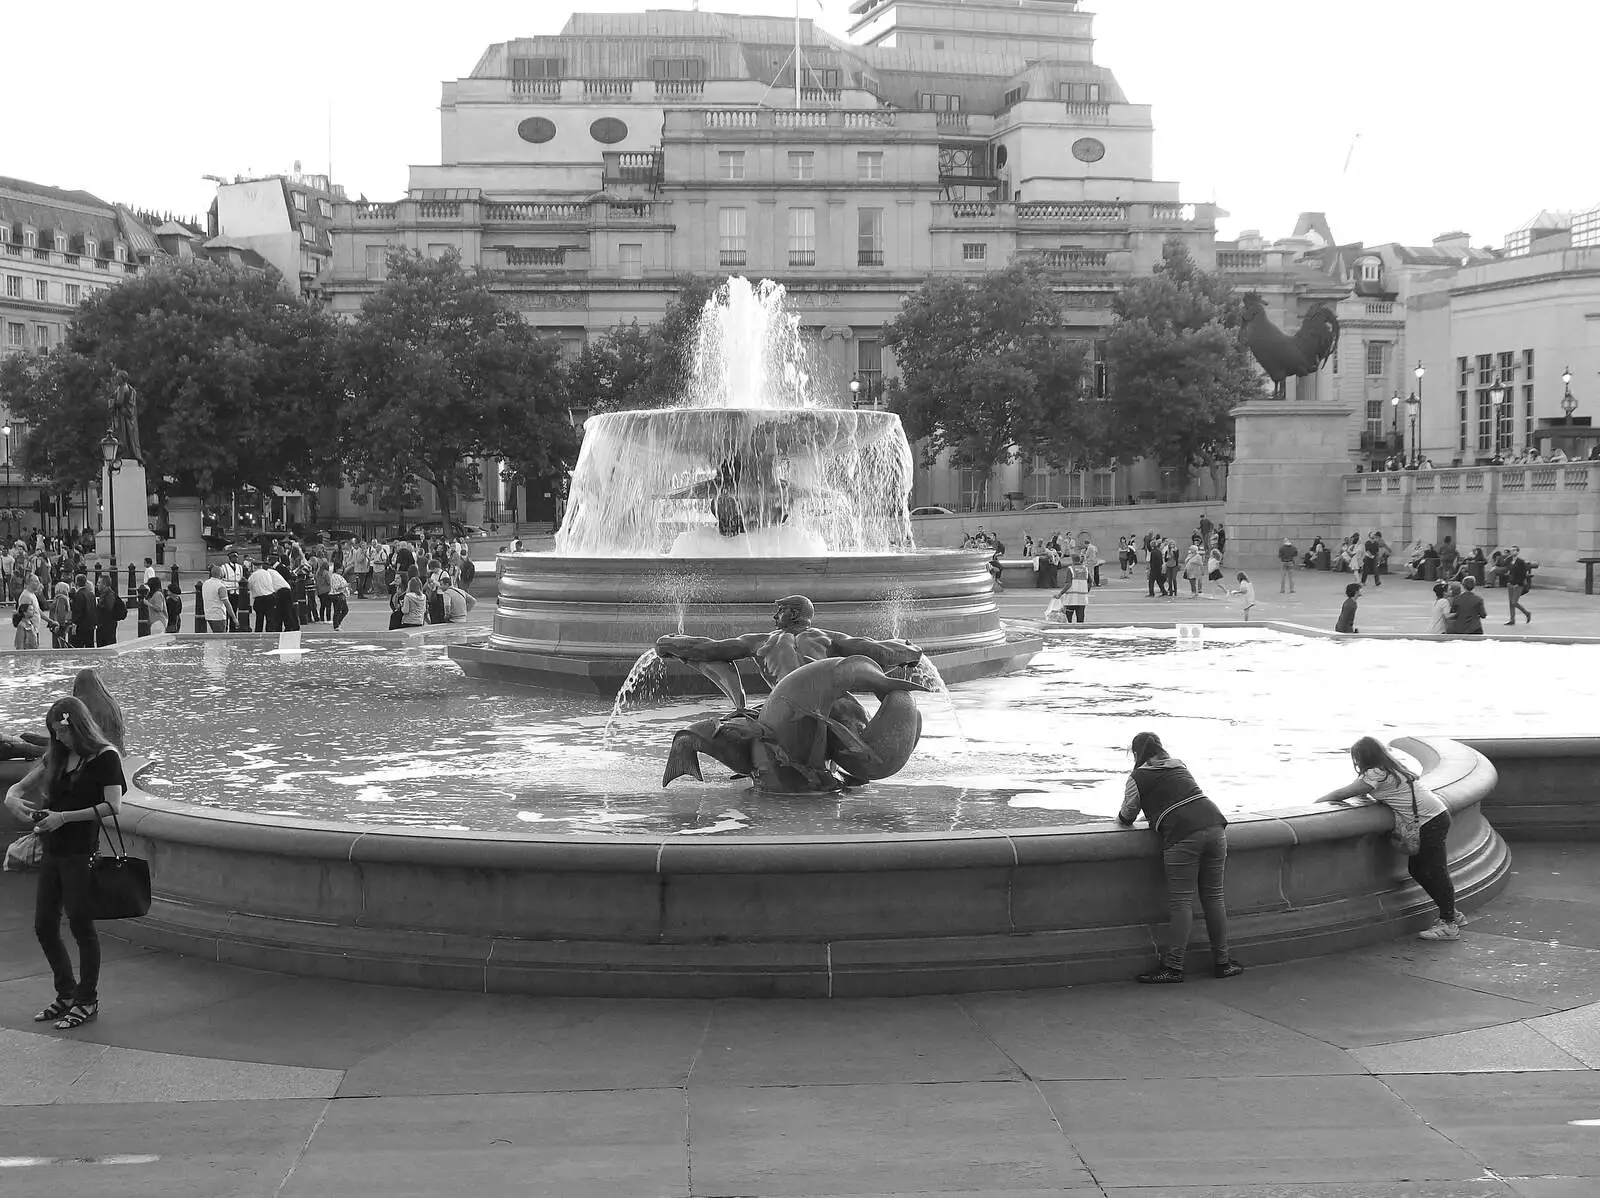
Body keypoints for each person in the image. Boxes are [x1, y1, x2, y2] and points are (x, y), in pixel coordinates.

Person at [2, 696, 129, 1029]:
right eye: (54, 733)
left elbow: (113, 806)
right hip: (53, 851)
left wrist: (64, 818)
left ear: (79, 727)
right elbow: (19, 787)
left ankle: (88, 999)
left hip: (80, 853)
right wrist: (13, 798)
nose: (59, 739)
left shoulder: (105, 758)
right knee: (44, 924)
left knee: (80, 925)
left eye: (63, 732)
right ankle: (67, 993)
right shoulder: (56, 755)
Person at [1117, 731, 1241, 983]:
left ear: (1135, 753)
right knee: (1214, 897)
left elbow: (1127, 815)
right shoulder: (1179, 765)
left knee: (1181, 901)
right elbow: (1181, 797)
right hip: (1215, 826)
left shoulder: (1138, 776)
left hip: (1183, 834)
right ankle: (1223, 962)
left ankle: (1173, 966)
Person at [1314, 737, 1461, 941]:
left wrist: (1315, 805)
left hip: (1429, 822)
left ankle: (1449, 924)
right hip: (1437, 815)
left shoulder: (1375, 773)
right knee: (1422, 870)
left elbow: (1343, 793)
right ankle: (1451, 914)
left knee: (1434, 871)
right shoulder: (1392, 768)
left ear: (1362, 757)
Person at [1504, 547, 1532, 625]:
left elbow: (1523, 574)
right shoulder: (1510, 560)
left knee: (1514, 602)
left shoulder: (1521, 562)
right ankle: (1512, 620)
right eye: (1511, 550)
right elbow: (1506, 567)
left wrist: (1518, 583)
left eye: (1514, 550)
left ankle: (1527, 613)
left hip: (1518, 585)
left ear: (1517, 552)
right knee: (1511, 603)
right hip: (1510, 583)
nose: (1512, 552)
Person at [200, 566, 231, 632]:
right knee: (220, 639)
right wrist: (234, 618)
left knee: (215, 635)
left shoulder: (205, 583)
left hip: (208, 615)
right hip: (219, 615)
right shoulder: (220, 586)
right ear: (220, 574)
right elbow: (227, 603)